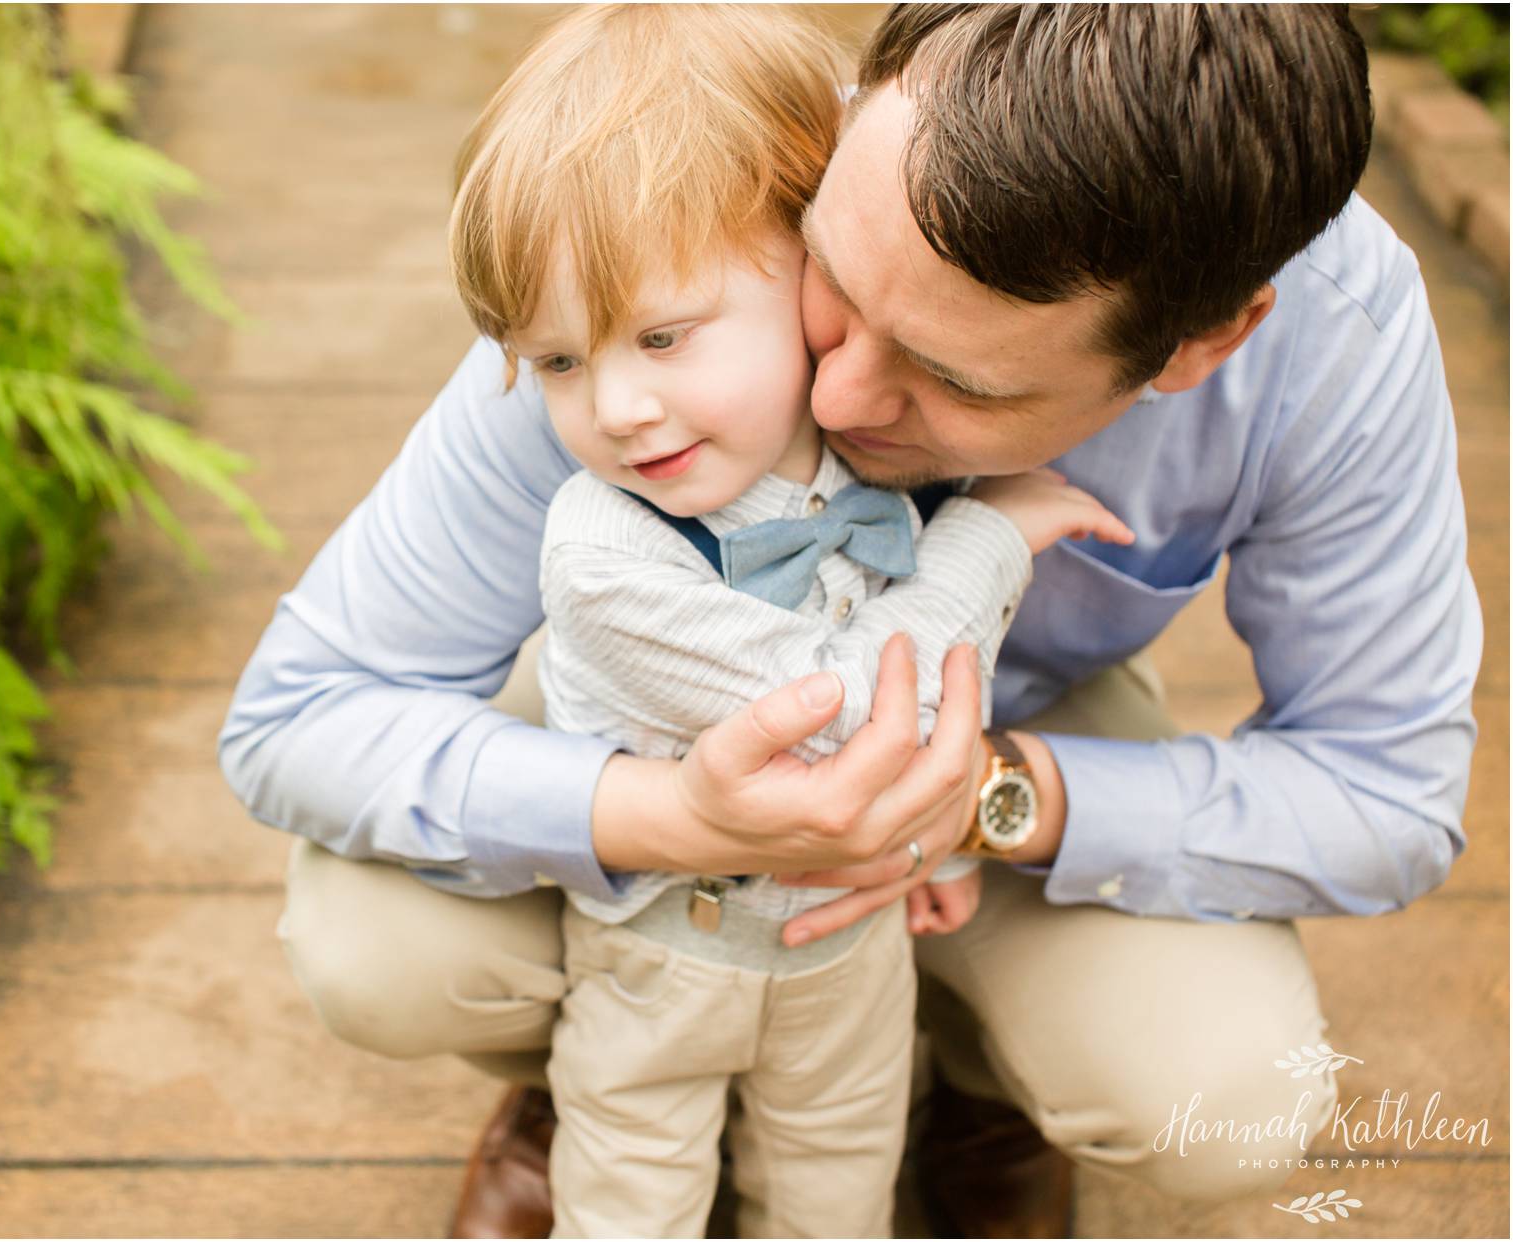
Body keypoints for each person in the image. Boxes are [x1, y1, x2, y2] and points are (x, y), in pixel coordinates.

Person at [220, 4, 1482, 1236]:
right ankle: (597, 1081)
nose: (839, 386)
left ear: (1200, 345)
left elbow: (1387, 793)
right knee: (372, 942)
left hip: (1016, 723)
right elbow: (300, 713)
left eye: (957, 378)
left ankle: (977, 1095)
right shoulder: (677, 216)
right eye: (834, 273)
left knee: (1233, 1098)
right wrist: (662, 818)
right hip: (664, 720)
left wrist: (990, 796)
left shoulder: (1334, 343)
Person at [442, 7, 1136, 1234]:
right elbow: (859, 712)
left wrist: (953, 841)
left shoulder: (877, 449)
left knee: (834, 1182)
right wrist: (984, 544)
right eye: (556, 363)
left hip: (845, 954)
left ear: (809, 264)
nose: (616, 407)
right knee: (633, 1190)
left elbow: (932, 710)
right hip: (669, 954)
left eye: (663, 336)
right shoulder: (602, 546)